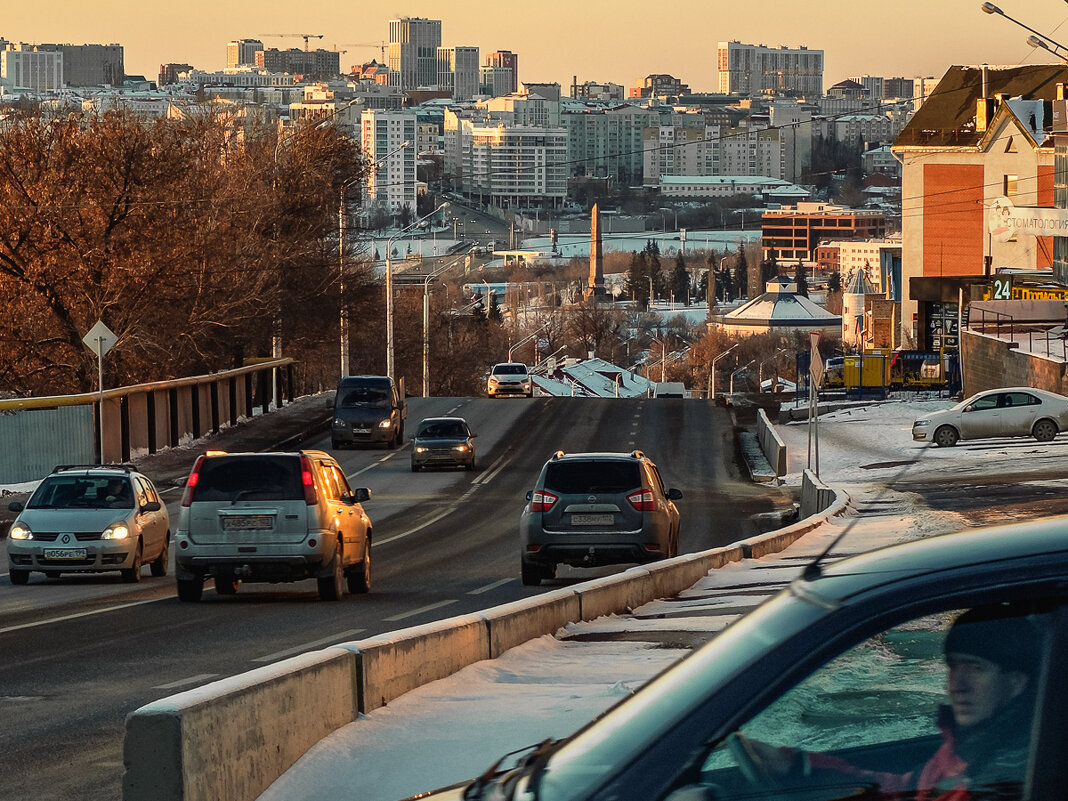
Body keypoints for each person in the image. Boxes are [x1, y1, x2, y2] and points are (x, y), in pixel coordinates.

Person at [736, 605, 1040, 801]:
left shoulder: (1009, 772)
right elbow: (900, 788)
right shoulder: (969, 745)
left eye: (976, 668)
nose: (957, 685)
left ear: (1016, 682)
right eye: (954, 666)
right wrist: (797, 765)